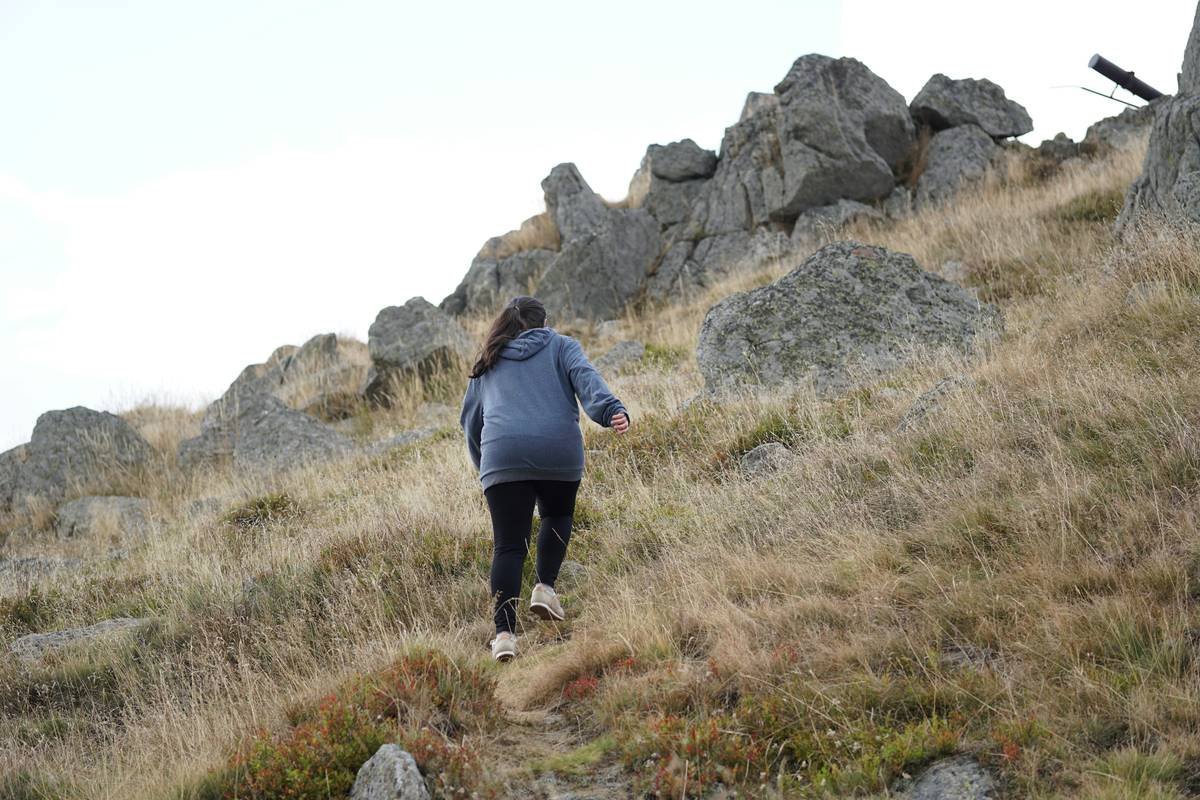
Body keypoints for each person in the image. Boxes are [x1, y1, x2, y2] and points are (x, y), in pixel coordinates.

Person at [459, 296, 631, 662]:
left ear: (504, 324)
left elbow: (470, 423)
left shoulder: (487, 361)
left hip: (502, 457)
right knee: (557, 515)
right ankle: (545, 587)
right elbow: (588, 380)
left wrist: (486, 466)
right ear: (545, 322)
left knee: (508, 546)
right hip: (558, 450)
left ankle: (504, 636)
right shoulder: (562, 345)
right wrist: (611, 411)